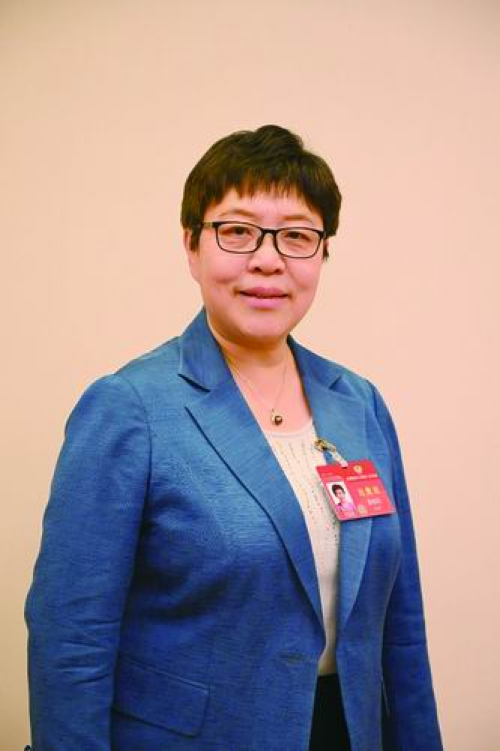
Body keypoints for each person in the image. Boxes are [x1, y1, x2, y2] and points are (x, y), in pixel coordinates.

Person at [25, 125, 443, 750]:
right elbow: (71, 640)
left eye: (296, 236)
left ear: (322, 254)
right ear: (191, 246)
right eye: (238, 231)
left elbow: (401, 626)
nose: (268, 260)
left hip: (350, 732)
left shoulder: (359, 404)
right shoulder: (130, 408)